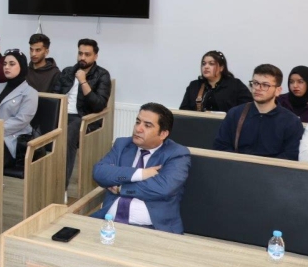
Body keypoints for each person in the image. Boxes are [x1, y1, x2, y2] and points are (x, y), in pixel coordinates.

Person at [92, 103, 191, 234]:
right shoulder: (122, 145)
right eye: (138, 122)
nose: (138, 129)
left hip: (154, 229)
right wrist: (140, 173)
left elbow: (163, 188)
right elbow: (99, 172)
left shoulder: (177, 154)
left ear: (163, 134)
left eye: (147, 125)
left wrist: (121, 188)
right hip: (109, 223)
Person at [51, 38, 112, 187]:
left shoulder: (102, 75)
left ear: (95, 56)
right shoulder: (67, 71)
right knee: (39, 130)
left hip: (84, 118)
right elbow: (54, 95)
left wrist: (83, 81)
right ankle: (42, 178)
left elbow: (99, 105)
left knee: (68, 134)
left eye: (87, 54)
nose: (82, 57)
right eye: (80, 53)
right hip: (61, 115)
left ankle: (61, 187)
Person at [213, 64, 304, 160]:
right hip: (236, 166)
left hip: (274, 168)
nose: (258, 88)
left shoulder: (291, 122)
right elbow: (220, 146)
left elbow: (291, 155)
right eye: (255, 83)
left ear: (278, 90)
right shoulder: (235, 114)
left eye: (265, 85)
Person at [0, 50, 38, 168]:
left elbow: (21, 121)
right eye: (5, 64)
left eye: (12, 64)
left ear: (22, 67)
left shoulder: (30, 93)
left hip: (10, 141)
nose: (6, 67)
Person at [179, 51, 252, 112]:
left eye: (211, 64)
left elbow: (247, 109)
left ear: (221, 68)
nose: (206, 67)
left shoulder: (235, 85)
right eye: (204, 63)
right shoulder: (194, 86)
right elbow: (183, 112)